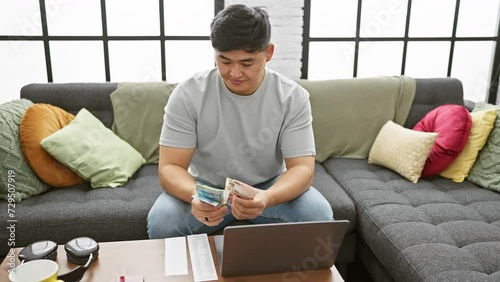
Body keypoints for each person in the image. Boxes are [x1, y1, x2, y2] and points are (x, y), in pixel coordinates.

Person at [147, 4, 333, 238]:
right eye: (224, 61)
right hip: (207, 190)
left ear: (269, 53)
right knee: (162, 220)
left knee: (318, 214)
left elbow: (302, 169)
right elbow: (170, 167)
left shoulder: (292, 97)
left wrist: (266, 197)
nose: (234, 73)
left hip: (267, 187)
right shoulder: (188, 94)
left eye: (246, 63)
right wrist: (196, 196)